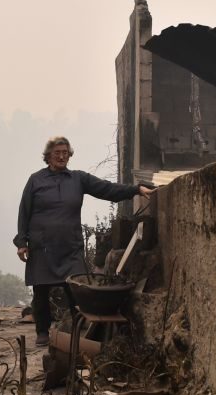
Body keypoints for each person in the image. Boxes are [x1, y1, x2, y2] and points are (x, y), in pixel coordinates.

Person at [13, 136, 154, 347]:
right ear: (48, 156)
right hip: (42, 246)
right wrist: (21, 241)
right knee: (41, 292)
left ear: (69, 155)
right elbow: (24, 212)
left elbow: (107, 189)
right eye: (57, 152)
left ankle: (79, 334)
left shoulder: (78, 179)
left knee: (76, 292)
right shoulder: (36, 180)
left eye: (65, 152)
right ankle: (42, 332)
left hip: (70, 246)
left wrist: (135, 189)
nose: (61, 156)